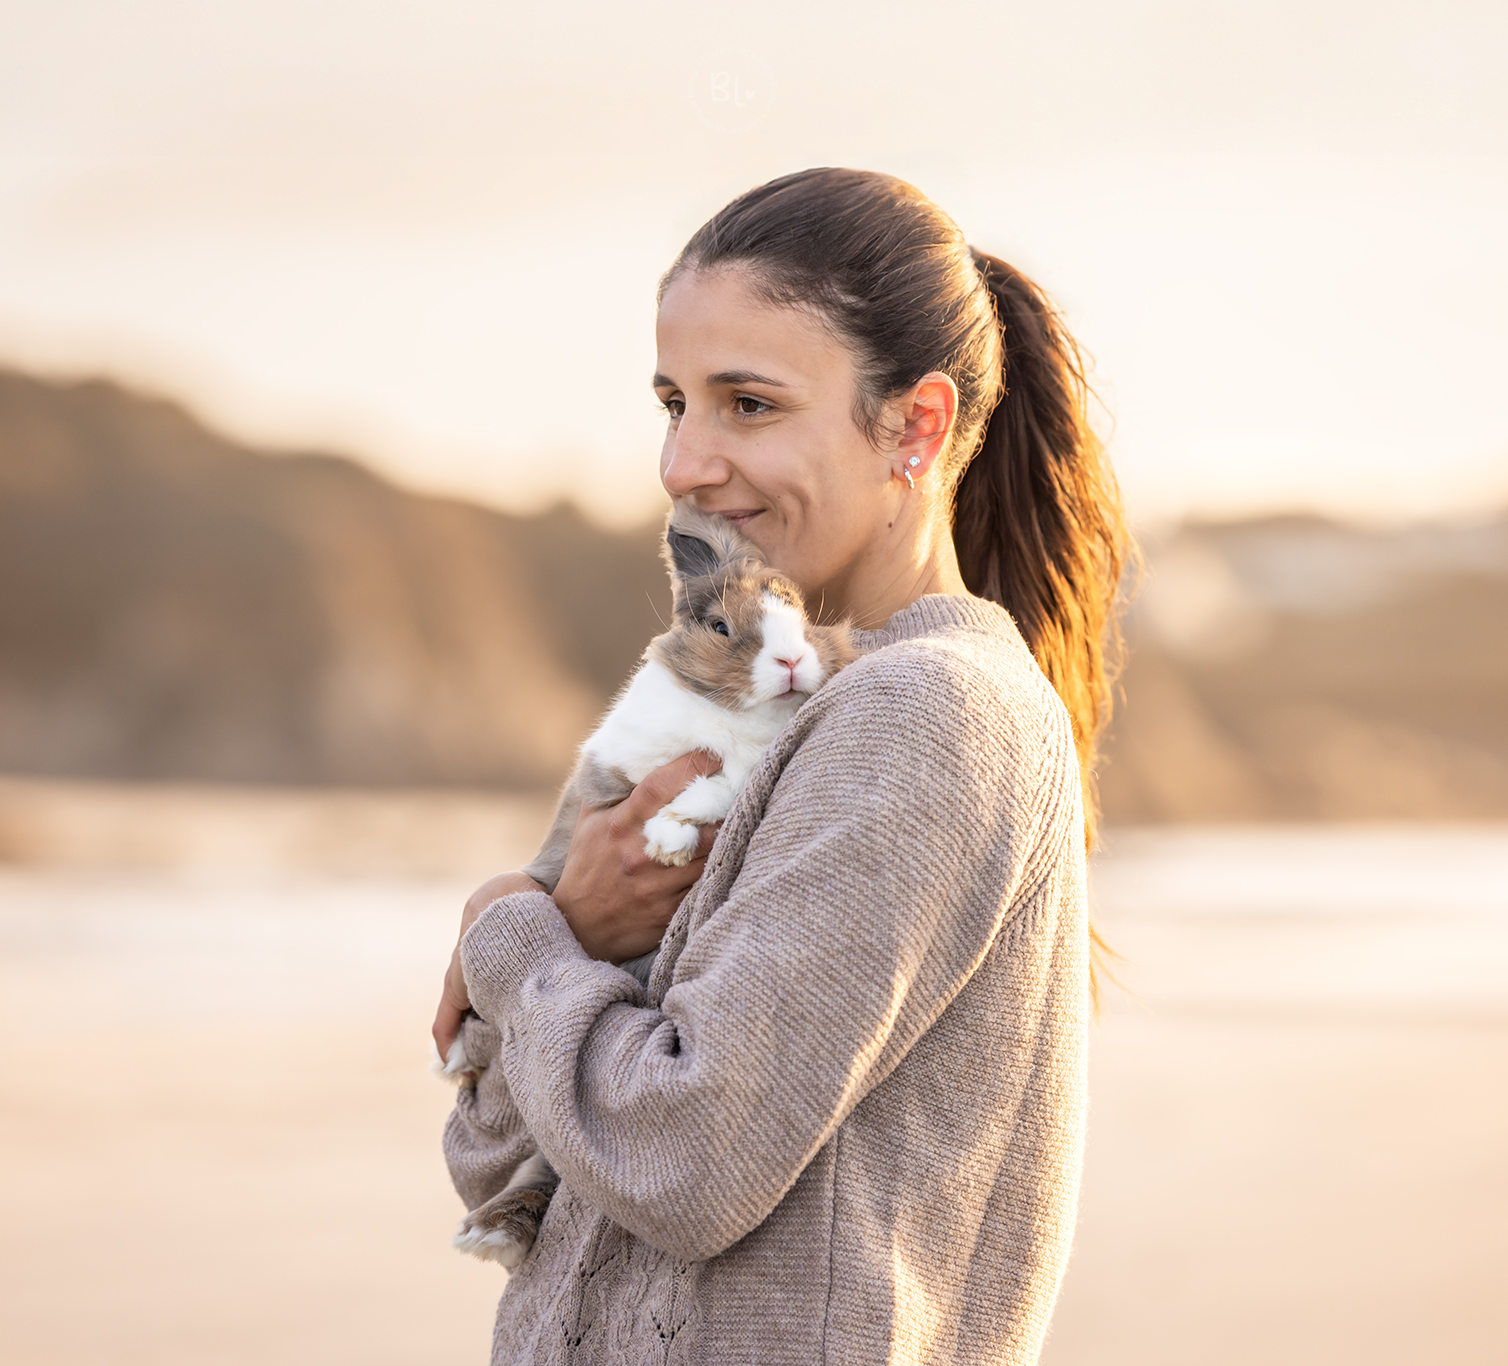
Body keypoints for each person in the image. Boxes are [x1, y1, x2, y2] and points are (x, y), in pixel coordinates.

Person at [430, 167, 1130, 1365]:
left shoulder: (928, 710)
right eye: (672, 402)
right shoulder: (776, 709)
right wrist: (573, 931)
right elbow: (500, 1165)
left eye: (746, 405)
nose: (683, 463)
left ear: (913, 423)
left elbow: (679, 1157)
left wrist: (511, 930)